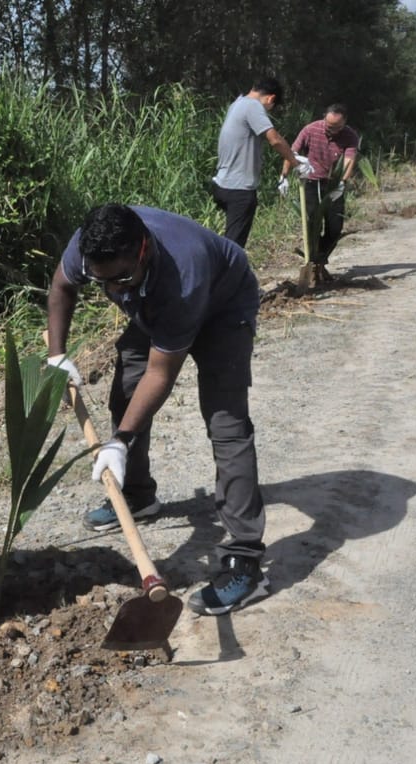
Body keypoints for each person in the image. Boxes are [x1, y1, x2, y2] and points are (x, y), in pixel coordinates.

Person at [46, 204, 269, 616]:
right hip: (153, 301)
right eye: (103, 281)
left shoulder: (184, 273)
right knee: (125, 393)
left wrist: (120, 441)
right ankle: (137, 497)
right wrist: (56, 356)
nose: (113, 291)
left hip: (224, 306)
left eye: (121, 279)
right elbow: (62, 287)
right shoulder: (91, 244)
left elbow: (161, 373)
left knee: (226, 423)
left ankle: (246, 561)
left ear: (143, 248)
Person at [210, 77, 311, 248]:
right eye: (271, 107)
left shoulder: (237, 103)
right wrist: (296, 163)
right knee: (233, 247)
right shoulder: (253, 106)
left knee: (230, 241)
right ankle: (226, 274)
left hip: (222, 184)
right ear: (271, 98)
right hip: (239, 189)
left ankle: (226, 272)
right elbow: (275, 140)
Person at [280, 103, 360, 279]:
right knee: (311, 224)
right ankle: (313, 263)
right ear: (324, 117)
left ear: (344, 123)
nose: (331, 130)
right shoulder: (310, 130)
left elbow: (349, 160)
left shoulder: (350, 136)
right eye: (328, 125)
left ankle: (320, 260)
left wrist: (343, 181)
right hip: (311, 182)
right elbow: (291, 151)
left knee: (335, 227)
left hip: (333, 186)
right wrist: (284, 176)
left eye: (336, 127)